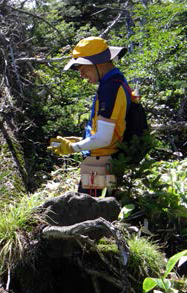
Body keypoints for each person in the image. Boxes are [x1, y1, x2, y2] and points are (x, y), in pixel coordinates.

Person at [49, 36, 131, 196]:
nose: (81, 75)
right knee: (96, 209)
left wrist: (71, 148)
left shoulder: (110, 88)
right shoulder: (115, 82)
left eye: (83, 68)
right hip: (105, 159)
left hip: (101, 163)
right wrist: (82, 141)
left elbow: (104, 139)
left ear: (98, 63)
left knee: (92, 212)